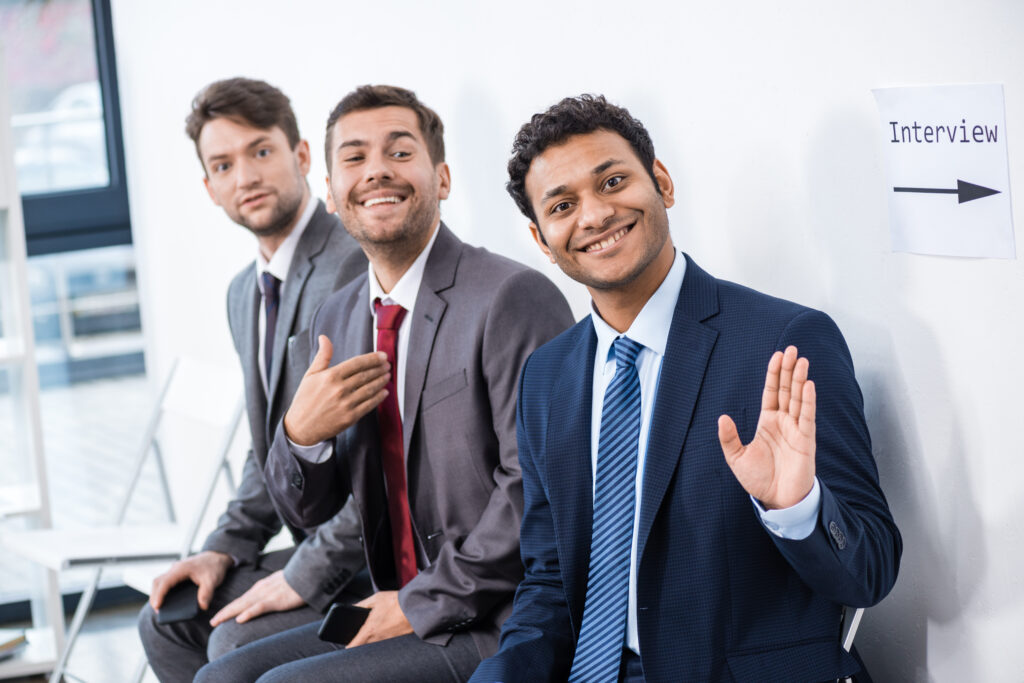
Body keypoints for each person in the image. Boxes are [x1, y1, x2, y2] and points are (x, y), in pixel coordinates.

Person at [471, 95, 902, 682]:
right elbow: (550, 580)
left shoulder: (784, 342)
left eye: (613, 181)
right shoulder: (546, 376)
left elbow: (871, 572)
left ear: (663, 183)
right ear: (542, 239)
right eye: (563, 205)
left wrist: (796, 507)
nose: (594, 215)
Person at [193, 85, 575, 682]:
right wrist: (302, 437)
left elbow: (536, 491)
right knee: (222, 673)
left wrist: (419, 602)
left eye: (399, 152)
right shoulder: (338, 316)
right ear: (331, 191)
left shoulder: (511, 297)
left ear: (442, 178)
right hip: (394, 599)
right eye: (354, 157)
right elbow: (307, 507)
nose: (376, 171)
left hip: (499, 618)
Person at [137, 77, 369, 682]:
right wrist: (223, 548)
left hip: (373, 556)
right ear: (209, 188)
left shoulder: (354, 260)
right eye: (223, 165)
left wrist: (302, 576)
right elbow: (269, 449)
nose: (245, 176)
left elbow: (381, 458)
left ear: (301, 155)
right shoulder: (244, 293)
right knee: (166, 618)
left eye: (260, 151)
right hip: (314, 544)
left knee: (232, 643)